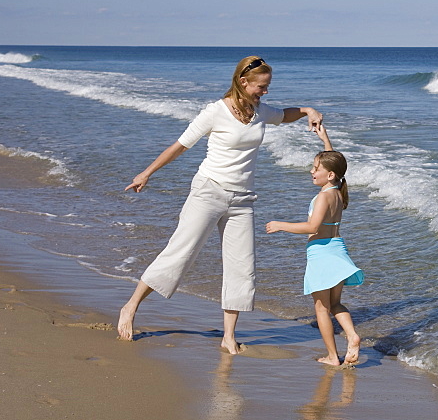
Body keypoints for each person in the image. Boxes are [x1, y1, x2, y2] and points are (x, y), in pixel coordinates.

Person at [118, 56, 323, 354]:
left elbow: (284, 114)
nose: (265, 92)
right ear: (243, 82)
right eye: (261, 87)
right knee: (181, 253)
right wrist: (146, 173)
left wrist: (308, 110)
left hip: (242, 200)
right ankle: (131, 306)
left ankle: (228, 335)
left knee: (242, 267)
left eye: (267, 87)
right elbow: (180, 145)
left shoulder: (258, 111)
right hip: (208, 192)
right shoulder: (215, 112)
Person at [266, 124, 363, 366]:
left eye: (316, 169)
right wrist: (325, 140)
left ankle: (332, 356)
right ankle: (351, 335)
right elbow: (335, 164)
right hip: (337, 249)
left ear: (329, 175)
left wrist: (281, 225)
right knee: (335, 303)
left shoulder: (323, 196)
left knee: (321, 308)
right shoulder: (338, 191)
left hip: (321, 254)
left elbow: (313, 228)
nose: (311, 171)